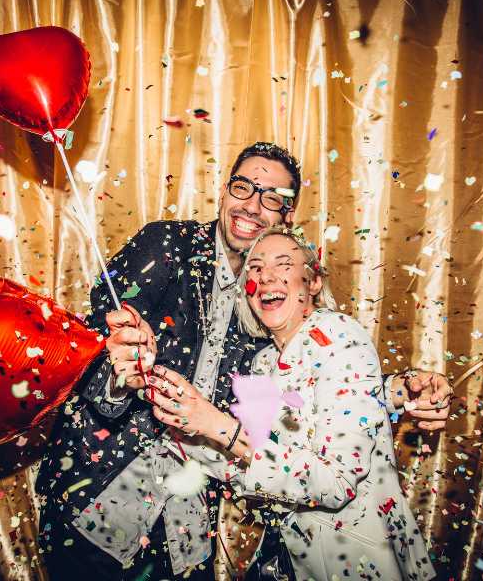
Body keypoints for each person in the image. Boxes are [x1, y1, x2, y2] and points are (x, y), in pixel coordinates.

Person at [36, 142, 450, 580]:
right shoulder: (166, 245)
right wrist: (122, 371)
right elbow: (87, 349)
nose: (252, 205)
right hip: (97, 497)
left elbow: (304, 385)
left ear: (286, 216)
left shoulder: (269, 305)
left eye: (271, 197)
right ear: (224, 189)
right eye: (243, 187)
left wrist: (398, 390)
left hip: (187, 520)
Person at [145, 225, 436, 580]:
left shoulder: (340, 335)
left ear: (312, 282)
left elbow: (335, 481)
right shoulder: (261, 363)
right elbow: (255, 469)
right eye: (254, 268)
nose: (265, 275)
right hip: (290, 561)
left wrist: (218, 425)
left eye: (283, 264)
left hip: (359, 562)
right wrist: (182, 421)